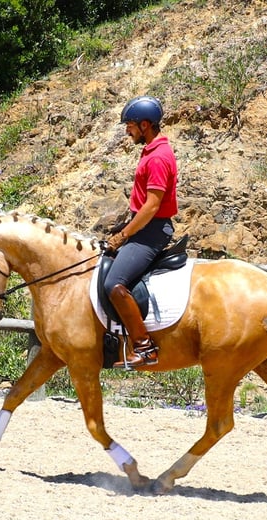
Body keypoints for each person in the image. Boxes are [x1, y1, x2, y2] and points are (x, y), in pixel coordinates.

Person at [104, 95, 178, 368]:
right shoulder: (150, 151)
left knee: (114, 284)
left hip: (151, 231)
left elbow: (151, 207)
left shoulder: (158, 157)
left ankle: (145, 347)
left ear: (145, 125)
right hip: (143, 226)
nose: (127, 130)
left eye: (131, 125)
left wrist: (123, 236)